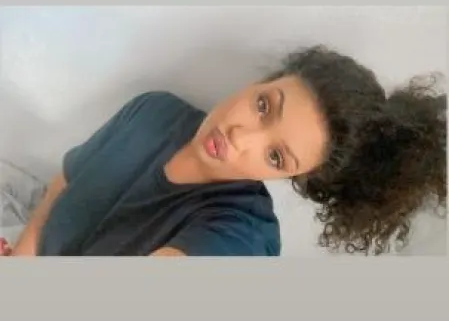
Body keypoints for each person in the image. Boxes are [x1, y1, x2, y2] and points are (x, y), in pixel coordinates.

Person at [4, 44, 447, 258]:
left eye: (275, 157)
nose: (240, 137)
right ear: (259, 83)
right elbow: (65, 184)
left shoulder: (241, 234)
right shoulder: (152, 111)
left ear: (291, 178)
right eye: (263, 106)